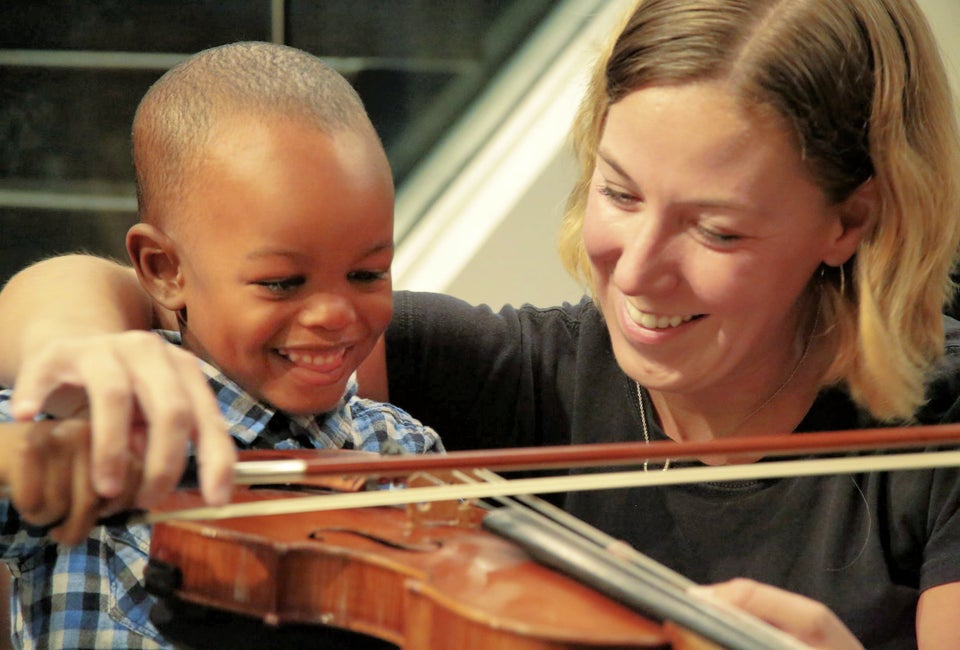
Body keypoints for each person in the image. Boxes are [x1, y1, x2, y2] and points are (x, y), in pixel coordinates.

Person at [1, 0, 959, 647]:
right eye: (618, 192)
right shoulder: (505, 375)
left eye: (716, 228)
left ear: (849, 220)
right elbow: (120, 291)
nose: (638, 264)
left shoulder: (942, 433)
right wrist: (88, 358)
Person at [0, 41, 444, 649]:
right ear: (162, 269)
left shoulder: (401, 453)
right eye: (282, 283)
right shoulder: (91, 424)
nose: (336, 314)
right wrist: (20, 455)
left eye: (367, 274)